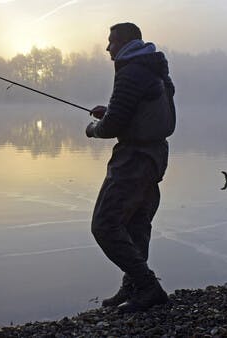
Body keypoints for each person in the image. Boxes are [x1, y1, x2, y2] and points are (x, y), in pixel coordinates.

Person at [86, 22, 176, 313]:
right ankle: (134, 287)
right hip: (155, 155)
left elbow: (112, 127)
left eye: (111, 42)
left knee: (105, 224)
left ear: (125, 42)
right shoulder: (152, 67)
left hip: (135, 158)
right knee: (136, 223)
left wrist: (94, 128)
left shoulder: (131, 71)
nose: (107, 47)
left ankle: (148, 287)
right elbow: (136, 109)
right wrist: (110, 111)